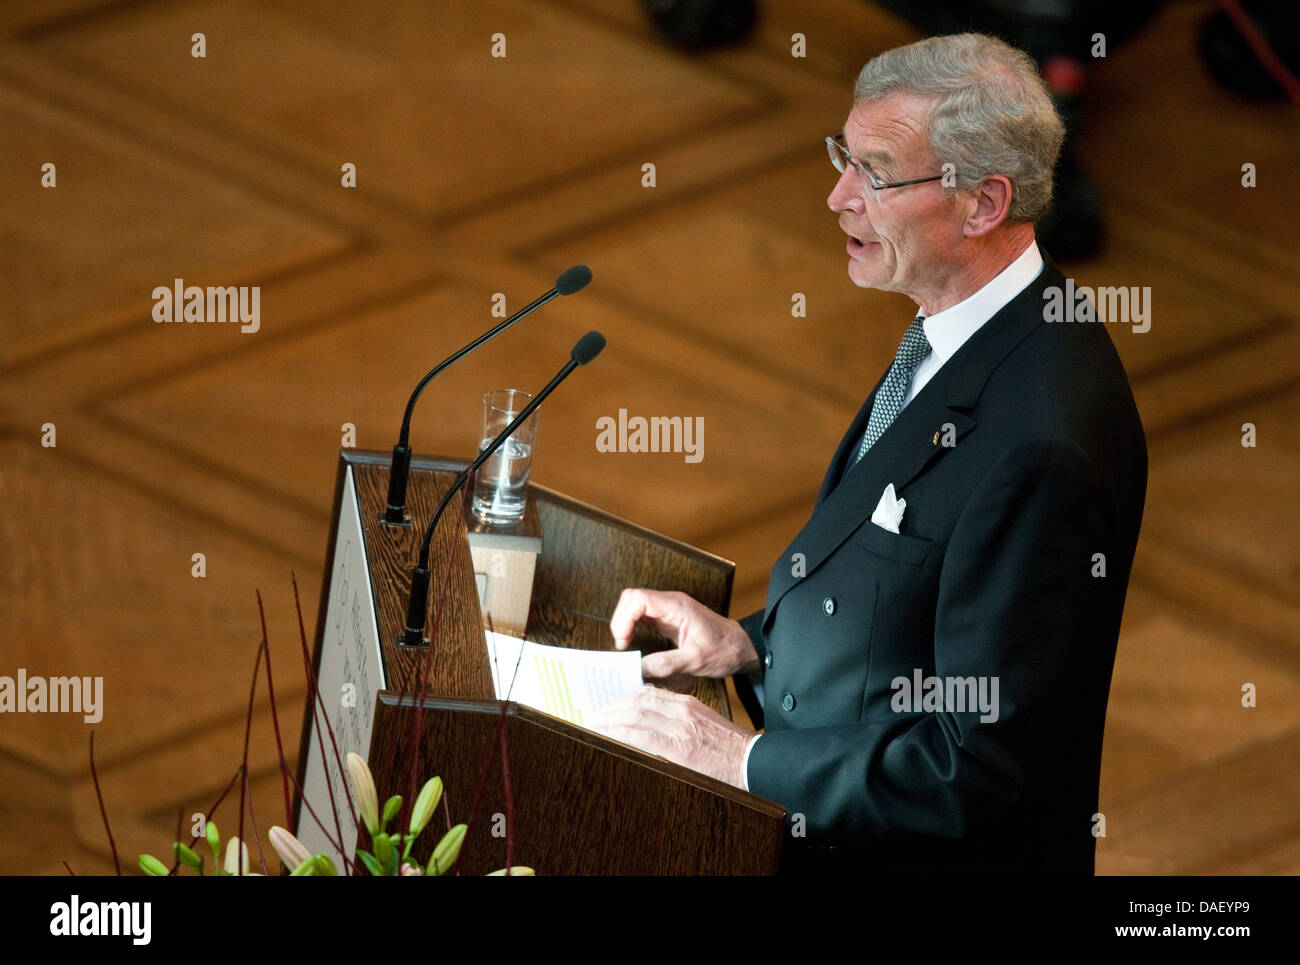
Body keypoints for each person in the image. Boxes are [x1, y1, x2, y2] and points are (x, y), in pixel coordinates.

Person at [590, 33, 1146, 874]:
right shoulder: (964, 333)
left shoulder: (1040, 445)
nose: (838, 195)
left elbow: (981, 764)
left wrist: (741, 760)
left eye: (877, 172)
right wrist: (754, 647)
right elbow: (904, 615)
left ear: (984, 204)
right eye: (844, 157)